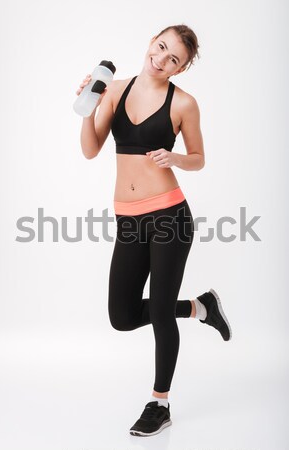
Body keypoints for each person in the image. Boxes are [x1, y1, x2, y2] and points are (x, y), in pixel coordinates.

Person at [76, 24, 232, 437]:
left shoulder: (184, 103)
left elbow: (199, 157)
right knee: (122, 316)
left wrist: (176, 158)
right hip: (128, 219)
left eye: (173, 59)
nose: (161, 60)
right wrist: (87, 106)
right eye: (160, 48)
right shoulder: (115, 89)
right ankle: (201, 307)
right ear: (151, 41)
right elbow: (91, 150)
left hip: (169, 217)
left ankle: (159, 402)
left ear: (180, 69)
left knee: (160, 311)